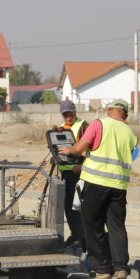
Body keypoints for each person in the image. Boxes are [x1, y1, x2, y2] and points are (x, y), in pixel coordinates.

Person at [60, 99, 138, 279]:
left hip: (96, 182)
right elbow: (129, 155)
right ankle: (120, 268)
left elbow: (82, 146)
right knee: (116, 226)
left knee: (92, 224)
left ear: (109, 111)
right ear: (125, 114)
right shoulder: (130, 132)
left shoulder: (98, 124)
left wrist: (70, 150)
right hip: (119, 186)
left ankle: (102, 268)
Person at [55, 99, 87, 251]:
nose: (68, 118)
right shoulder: (60, 128)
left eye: (70, 114)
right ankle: (76, 234)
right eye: (65, 115)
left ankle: (83, 238)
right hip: (66, 173)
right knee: (68, 206)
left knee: (78, 207)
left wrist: (81, 165)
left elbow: (91, 149)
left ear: (75, 112)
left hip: (80, 173)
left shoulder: (83, 126)